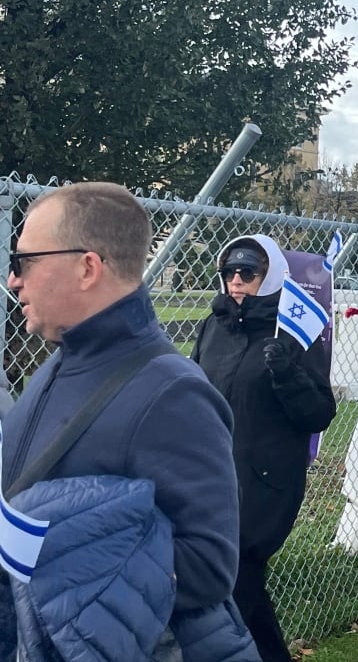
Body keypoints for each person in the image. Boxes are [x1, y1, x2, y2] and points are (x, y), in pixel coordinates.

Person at [2, 182, 249, 654]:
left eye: (25, 262)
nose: (14, 280)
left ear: (87, 267)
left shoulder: (173, 392)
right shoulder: (61, 361)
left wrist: (61, 558)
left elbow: (212, 564)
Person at [192, 235, 337, 660]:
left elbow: (319, 414)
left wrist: (288, 374)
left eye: (248, 273)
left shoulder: (292, 330)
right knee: (231, 581)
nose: (237, 281)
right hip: (212, 475)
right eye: (229, 273)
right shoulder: (212, 327)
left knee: (236, 574)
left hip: (266, 480)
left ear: (268, 276)